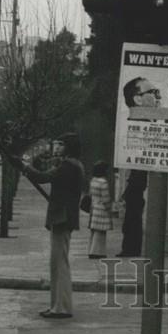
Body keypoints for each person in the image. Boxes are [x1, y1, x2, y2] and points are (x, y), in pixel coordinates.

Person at [19, 132, 84, 319]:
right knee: (57, 263)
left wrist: (24, 167)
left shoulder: (68, 166)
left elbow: (43, 177)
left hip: (61, 217)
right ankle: (58, 305)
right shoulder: (73, 165)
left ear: (69, 147)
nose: (57, 147)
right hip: (63, 216)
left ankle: (61, 307)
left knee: (59, 264)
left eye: (61, 144)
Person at [117, 169, 147, 257]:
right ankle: (133, 249)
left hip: (134, 202)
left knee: (130, 226)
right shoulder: (139, 172)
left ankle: (129, 249)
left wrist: (124, 197)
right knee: (134, 226)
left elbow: (132, 185)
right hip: (136, 202)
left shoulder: (137, 172)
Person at [87, 160, 113, 259]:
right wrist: (109, 207)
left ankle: (91, 250)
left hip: (94, 207)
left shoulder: (93, 180)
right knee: (101, 232)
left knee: (94, 231)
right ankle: (98, 252)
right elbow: (106, 198)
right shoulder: (103, 182)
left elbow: (90, 194)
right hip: (102, 209)